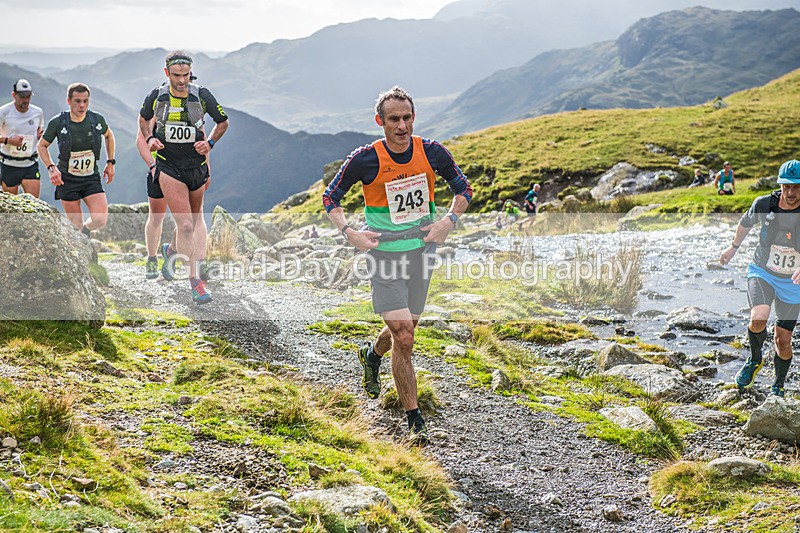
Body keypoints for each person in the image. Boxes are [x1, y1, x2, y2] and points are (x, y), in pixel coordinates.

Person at [323, 86, 472, 445]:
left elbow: (464, 190)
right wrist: (349, 233)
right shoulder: (365, 159)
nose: (402, 125)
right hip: (384, 255)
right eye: (394, 119)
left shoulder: (432, 152)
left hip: (422, 252)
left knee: (402, 330)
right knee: (405, 336)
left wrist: (447, 222)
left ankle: (371, 355)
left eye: (407, 117)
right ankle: (414, 419)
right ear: (380, 121)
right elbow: (331, 197)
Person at [138, 50, 228, 304]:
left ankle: (172, 250)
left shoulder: (202, 95)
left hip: (196, 166)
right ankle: (195, 283)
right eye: (176, 75)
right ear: (167, 73)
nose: (182, 80)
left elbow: (223, 122)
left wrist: (210, 143)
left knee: (194, 219)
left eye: (186, 75)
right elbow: (143, 119)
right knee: (186, 225)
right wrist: (149, 138)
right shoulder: (157, 96)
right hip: (168, 166)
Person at [720, 160, 800, 397]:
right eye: (786, 186)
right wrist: (733, 247)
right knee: (758, 318)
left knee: (783, 340)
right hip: (763, 271)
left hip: (793, 282)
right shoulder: (764, 203)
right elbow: (745, 223)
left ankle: (779, 384)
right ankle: (755, 360)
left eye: (797, 187)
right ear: (780, 185)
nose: (791, 192)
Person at [37, 83, 115, 235]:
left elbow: (109, 136)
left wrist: (110, 162)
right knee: (75, 224)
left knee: (100, 219)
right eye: (77, 101)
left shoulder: (96, 120)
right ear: (69, 101)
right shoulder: (58, 122)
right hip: (66, 178)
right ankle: (81, 252)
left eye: (85, 101)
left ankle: (86, 230)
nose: (82, 105)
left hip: (91, 176)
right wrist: (51, 168)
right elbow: (41, 146)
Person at [136, 128, 211, 280]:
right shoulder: (155, 108)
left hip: (187, 172)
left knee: (192, 218)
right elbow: (140, 141)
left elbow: (202, 138)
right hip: (160, 171)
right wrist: (152, 165)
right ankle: (152, 259)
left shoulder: (191, 107)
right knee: (157, 217)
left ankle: (200, 262)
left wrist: (206, 168)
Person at [0, 79, 44, 197]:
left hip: (30, 164)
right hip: (9, 164)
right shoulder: (4, 112)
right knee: (12, 209)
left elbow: (38, 132)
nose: (25, 100)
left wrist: (40, 137)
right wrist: (8, 141)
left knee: (34, 205)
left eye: (28, 96)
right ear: (14, 95)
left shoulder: (38, 112)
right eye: (22, 96)